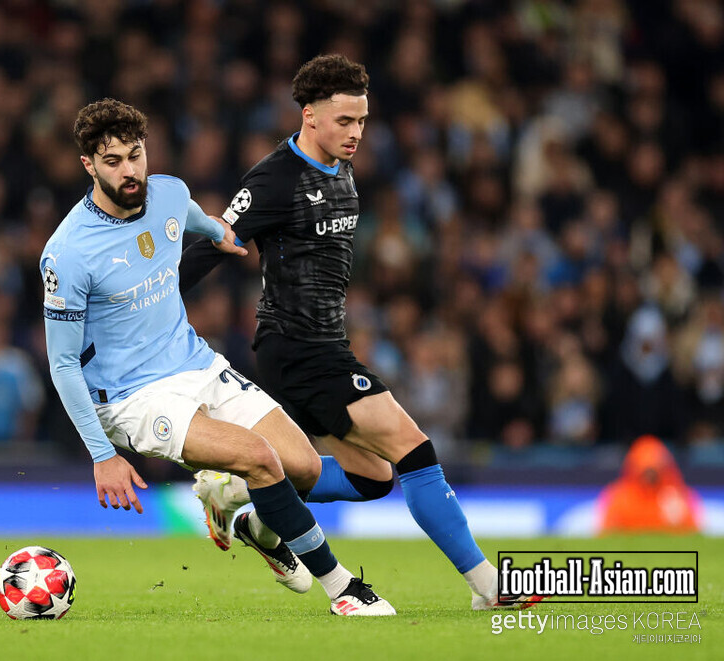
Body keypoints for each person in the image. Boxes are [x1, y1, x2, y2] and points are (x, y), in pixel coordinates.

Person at [180, 55, 540, 610]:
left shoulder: (342, 169)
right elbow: (215, 243)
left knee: (373, 478)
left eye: (362, 121)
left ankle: (246, 497)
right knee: (414, 449)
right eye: (344, 121)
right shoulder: (275, 177)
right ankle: (488, 586)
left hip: (328, 346)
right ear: (309, 116)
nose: (356, 133)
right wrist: (146, 304)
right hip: (297, 349)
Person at [40, 98, 394, 616]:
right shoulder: (68, 253)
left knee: (300, 466)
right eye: (112, 161)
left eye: (135, 156)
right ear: (88, 165)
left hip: (195, 363)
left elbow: (188, 216)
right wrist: (102, 455)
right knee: (260, 458)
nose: (129, 171)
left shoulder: (167, 192)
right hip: (130, 397)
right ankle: (344, 590)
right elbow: (62, 363)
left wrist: (218, 233)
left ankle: (251, 522)